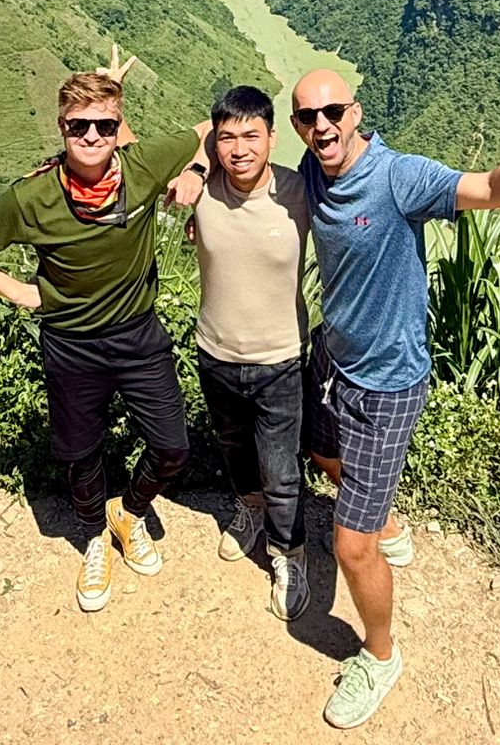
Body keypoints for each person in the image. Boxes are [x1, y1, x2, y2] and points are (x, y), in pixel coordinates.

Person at [294, 68, 500, 730]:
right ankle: (385, 521)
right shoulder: (313, 167)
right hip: (333, 356)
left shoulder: (398, 176)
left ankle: (379, 655)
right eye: (307, 117)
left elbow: (489, 190)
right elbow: (229, 138)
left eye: (332, 112)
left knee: (350, 546)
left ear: (355, 113)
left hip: (388, 382)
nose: (321, 126)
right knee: (319, 451)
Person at [0, 49, 211, 613]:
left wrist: (195, 171)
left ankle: (128, 514)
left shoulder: (141, 167)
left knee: (171, 445)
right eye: (79, 125)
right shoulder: (31, 197)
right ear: (61, 127)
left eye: (104, 125)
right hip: (70, 343)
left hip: (138, 335)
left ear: (118, 129)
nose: (91, 135)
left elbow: (214, 129)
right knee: (81, 453)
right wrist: (20, 292)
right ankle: (93, 537)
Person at [188, 84, 312, 620]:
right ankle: (248, 510)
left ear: (272, 137)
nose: (239, 149)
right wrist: (195, 167)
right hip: (215, 352)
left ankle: (290, 553)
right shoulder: (201, 188)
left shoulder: (299, 193)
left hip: (281, 359)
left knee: (282, 470)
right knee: (233, 448)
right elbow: (161, 145)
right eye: (227, 138)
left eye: (251, 136)